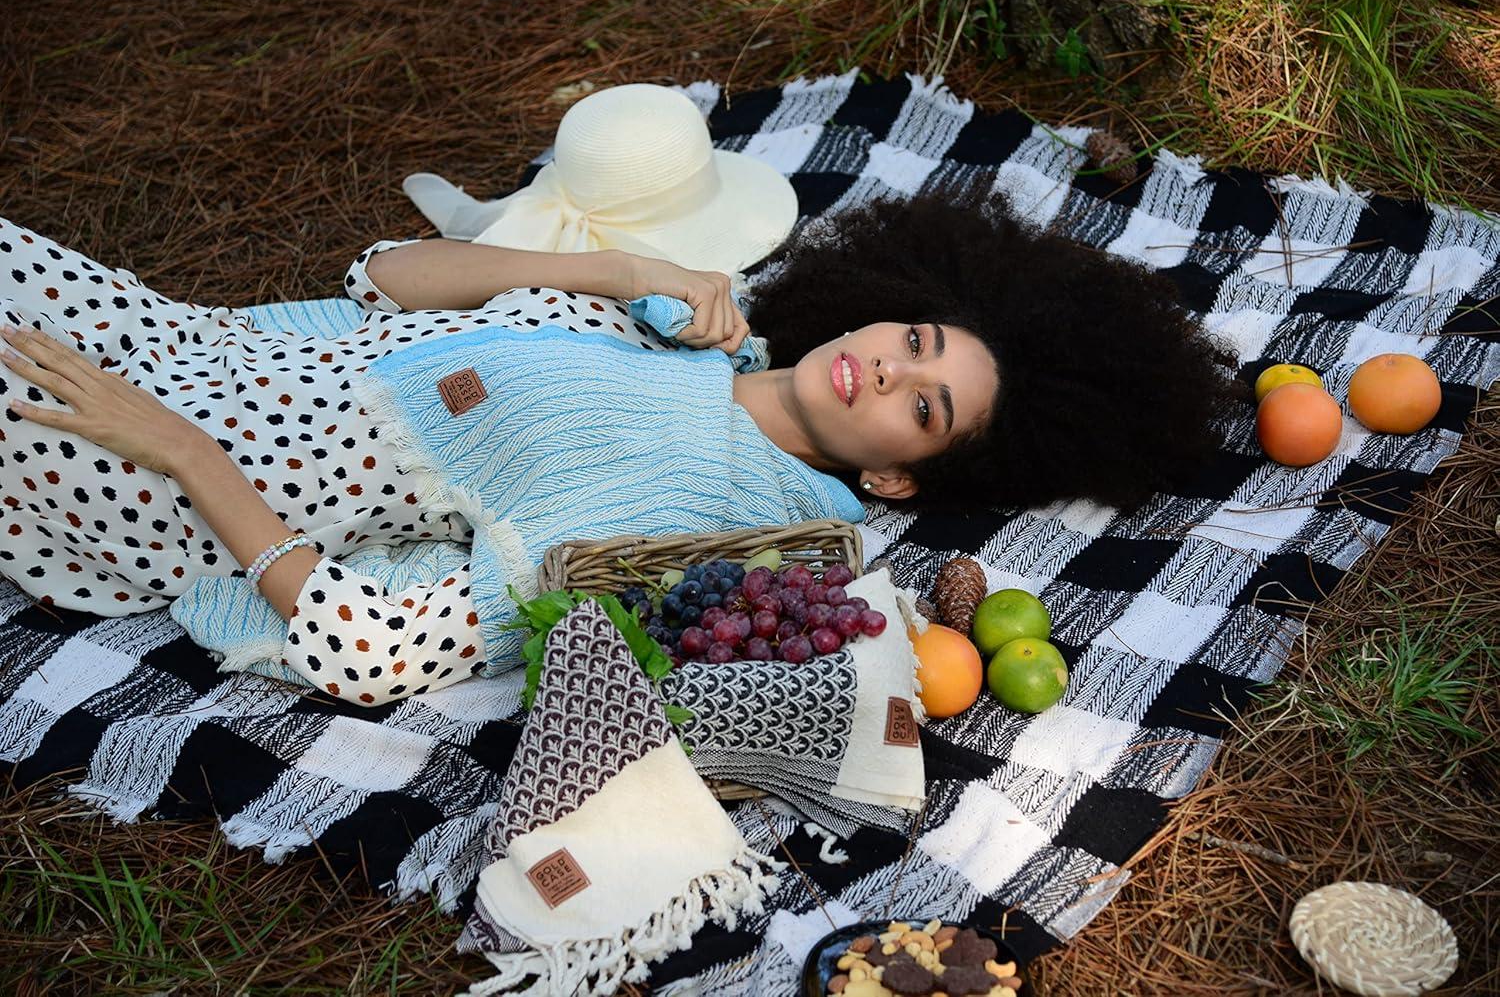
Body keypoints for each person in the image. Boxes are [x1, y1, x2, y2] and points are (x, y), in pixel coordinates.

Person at [0, 192, 1243, 708]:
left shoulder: (707, 511)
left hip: (161, 475)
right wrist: (612, 267)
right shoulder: (686, 323)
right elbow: (385, 277)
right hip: (188, 344)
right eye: (915, 340)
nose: (890, 366)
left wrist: (176, 451)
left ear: (893, 477)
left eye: (923, 407)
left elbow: (378, 649)